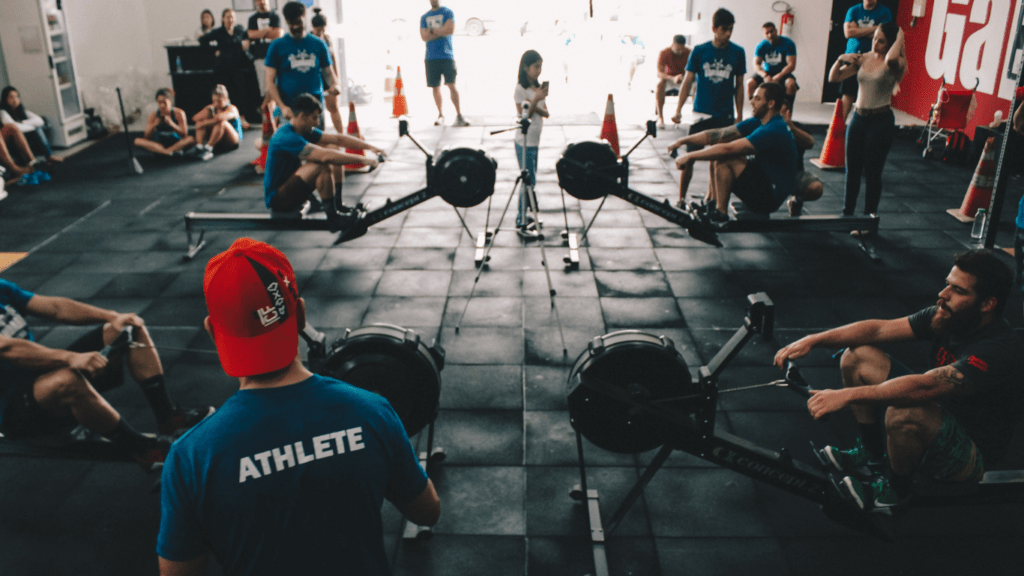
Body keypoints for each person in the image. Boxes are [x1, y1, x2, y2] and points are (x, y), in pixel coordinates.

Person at [156, 237, 441, 575]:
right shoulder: (372, 411)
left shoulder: (191, 457)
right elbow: (427, 512)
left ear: (212, 331)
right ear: (301, 315)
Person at [774, 250, 1024, 514]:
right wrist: (813, 340)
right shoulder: (947, 318)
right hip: (939, 415)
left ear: (987, 304)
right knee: (857, 356)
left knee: (905, 408)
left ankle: (897, 492)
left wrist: (847, 395)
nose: (943, 294)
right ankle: (872, 454)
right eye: (948, 283)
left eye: (958, 290)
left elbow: (925, 387)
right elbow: (878, 329)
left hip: (971, 455)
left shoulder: (999, 348)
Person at [0, 279, 213, 470]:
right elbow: (5, 348)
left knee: (126, 328)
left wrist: (113, 316)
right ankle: (144, 451)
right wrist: (70, 358)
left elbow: (56, 308)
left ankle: (168, 416)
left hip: (38, 375)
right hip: (11, 408)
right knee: (67, 381)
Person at [668, 81, 796, 222]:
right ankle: (713, 205)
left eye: (757, 99)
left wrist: (690, 156)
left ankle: (720, 213)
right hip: (764, 181)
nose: (752, 102)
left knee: (725, 156)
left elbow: (727, 149)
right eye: (753, 97)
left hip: (770, 196)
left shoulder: (773, 128)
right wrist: (683, 140)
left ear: (771, 104)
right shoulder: (758, 122)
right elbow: (718, 134)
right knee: (720, 147)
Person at [263, 93, 381, 230]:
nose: (317, 122)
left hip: (291, 190)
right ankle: (333, 218)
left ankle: (337, 205)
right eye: (314, 117)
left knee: (332, 147)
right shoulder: (286, 137)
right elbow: (325, 157)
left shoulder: (302, 130)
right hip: (278, 200)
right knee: (321, 165)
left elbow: (338, 139)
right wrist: (365, 160)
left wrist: (370, 147)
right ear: (302, 116)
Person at [828, 22, 905, 232]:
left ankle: (868, 221)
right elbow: (834, 77)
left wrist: (901, 36)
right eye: (875, 39)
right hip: (858, 119)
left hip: (880, 122)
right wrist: (839, 59)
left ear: (891, 43)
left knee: (872, 173)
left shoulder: (896, 62)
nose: (876, 43)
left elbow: (889, 58)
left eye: (881, 40)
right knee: (851, 170)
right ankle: (847, 214)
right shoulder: (864, 58)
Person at [670, 8, 746, 208]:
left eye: (731, 29)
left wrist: (739, 114)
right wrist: (678, 110)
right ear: (714, 28)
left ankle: (711, 199)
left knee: (718, 158)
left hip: (724, 113)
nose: (728, 33)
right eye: (724, 29)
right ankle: (680, 199)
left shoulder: (738, 52)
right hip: (701, 113)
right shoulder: (700, 50)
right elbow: (687, 81)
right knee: (689, 158)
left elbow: (739, 86)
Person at [265, 1, 338, 125]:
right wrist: (282, 107)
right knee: (290, 144)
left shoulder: (318, 44)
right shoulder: (276, 46)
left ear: (304, 17)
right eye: (291, 23)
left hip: (315, 107)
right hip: (289, 108)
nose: (294, 27)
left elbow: (328, 73)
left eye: (298, 22)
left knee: (316, 143)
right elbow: (270, 82)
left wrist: (335, 85)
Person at [513, 50, 549, 239]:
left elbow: (545, 112)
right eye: (536, 67)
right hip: (524, 140)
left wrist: (539, 99)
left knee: (531, 180)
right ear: (526, 67)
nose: (539, 71)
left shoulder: (536, 87)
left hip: (535, 140)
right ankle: (521, 220)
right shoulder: (521, 88)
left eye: (540, 67)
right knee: (527, 181)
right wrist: (535, 100)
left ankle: (527, 215)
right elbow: (524, 116)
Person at [840, 0, 892, 121]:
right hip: (851, 57)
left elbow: (883, 35)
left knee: (868, 95)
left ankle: (862, 125)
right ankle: (839, 128)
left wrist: (857, 30)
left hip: (872, 58)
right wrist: (875, 28)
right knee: (847, 94)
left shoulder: (884, 12)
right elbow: (848, 33)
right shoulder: (853, 10)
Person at [421, 0, 469, 127]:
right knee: (435, 87)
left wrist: (431, 31)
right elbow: (424, 36)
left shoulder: (447, 12)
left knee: (451, 85)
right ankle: (440, 114)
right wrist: (440, 31)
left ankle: (459, 114)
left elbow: (449, 29)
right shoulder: (424, 17)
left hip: (447, 55)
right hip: (431, 57)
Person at [200, 8, 250, 113]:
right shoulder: (218, 32)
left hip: (237, 67)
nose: (230, 19)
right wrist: (214, 51)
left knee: (240, 92)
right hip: (223, 67)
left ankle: (241, 117)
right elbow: (203, 40)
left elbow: (248, 38)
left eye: (232, 17)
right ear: (223, 19)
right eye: (228, 17)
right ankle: (224, 116)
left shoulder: (239, 30)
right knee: (225, 93)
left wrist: (247, 43)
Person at [780, 99, 823, 216]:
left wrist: (790, 127)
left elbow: (810, 143)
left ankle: (796, 202)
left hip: (793, 175)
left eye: (782, 113)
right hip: (768, 177)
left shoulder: (799, 128)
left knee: (816, 188)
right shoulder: (762, 127)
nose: (779, 116)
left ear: (788, 113)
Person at [1, 86, 62, 167]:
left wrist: (23, 122)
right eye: (11, 97)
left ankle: (49, 156)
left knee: (39, 127)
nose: (15, 100)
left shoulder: (21, 111)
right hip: (13, 140)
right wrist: (31, 125)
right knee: (36, 128)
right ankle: (36, 161)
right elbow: (15, 128)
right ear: (5, 99)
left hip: (25, 135)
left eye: (16, 96)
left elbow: (40, 121)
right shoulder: (2, 112)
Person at [133, 88, 195, 158]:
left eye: (164, 102)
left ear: (170, 101)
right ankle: (169, 153)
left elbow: (184, 135)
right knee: (137, 141)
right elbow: (147, 137)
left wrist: (171, 124)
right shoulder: (153, 115)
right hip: (160, 144)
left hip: (176, 143)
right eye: (159, 102)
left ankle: (162, 152)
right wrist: (155, 125)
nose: (162, 105)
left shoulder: (179, 113)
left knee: (191, 139)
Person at [310, 8, 344, 133]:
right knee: (315, 111)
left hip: (327, 78)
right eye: (318, 29)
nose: (320, 32)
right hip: (314, 78)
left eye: (323, 29)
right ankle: (317, 137)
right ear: (313, 27)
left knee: (333, 108)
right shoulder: (309, 40)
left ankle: (342, 135)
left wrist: (336, 80)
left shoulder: (327, 39)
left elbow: (333, 58)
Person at [747, 22, 798, 104]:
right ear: (764, 34)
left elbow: (791, 65)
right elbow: (756, 65)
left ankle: (786, 111)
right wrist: (765, 75)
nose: (770, 35)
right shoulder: (760, 46)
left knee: (791, 84)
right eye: (767, 33)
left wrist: (779, 76)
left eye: (772, 31)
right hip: (767, 73)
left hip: (783, 73)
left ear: (776, 31)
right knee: (750, 83)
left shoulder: (788, 43)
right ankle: (756, 110)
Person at [247, 0, 284, 113]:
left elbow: (278, 34)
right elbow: (251, 35)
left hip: (276, 56)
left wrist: (259, 33)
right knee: (265, 88)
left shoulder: (275, 16)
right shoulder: (252, 19)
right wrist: (267, 30)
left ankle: (264, 108)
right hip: (260, 57)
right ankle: (266, 111)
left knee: (276, 85)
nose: (262, 2)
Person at [191, 84, 243, 161]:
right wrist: (207, 111)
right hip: (219, 140)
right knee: (200, 121)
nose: (216, 104)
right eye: (214, 101)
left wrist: (203, 123)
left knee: (221, 123)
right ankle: (200, 147)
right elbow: (195, 118)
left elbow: (219, 118)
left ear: (226, 99)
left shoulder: (232, 108)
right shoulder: (212, 107)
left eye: (219, 101)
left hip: (232, 141)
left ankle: (208, 149)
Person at [655, 35, 691, 128]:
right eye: (678, 49)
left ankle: (678, 113)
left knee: (697, 86)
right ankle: (661, 118)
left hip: (685, 79)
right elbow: (659, 73)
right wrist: (673, 78)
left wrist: (684, 78)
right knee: (660, 84)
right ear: (673, 45)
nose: (680, 52)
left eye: (682, 49)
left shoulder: (689, 52)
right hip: (670, 79)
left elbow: (694, 71)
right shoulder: (664, 52)